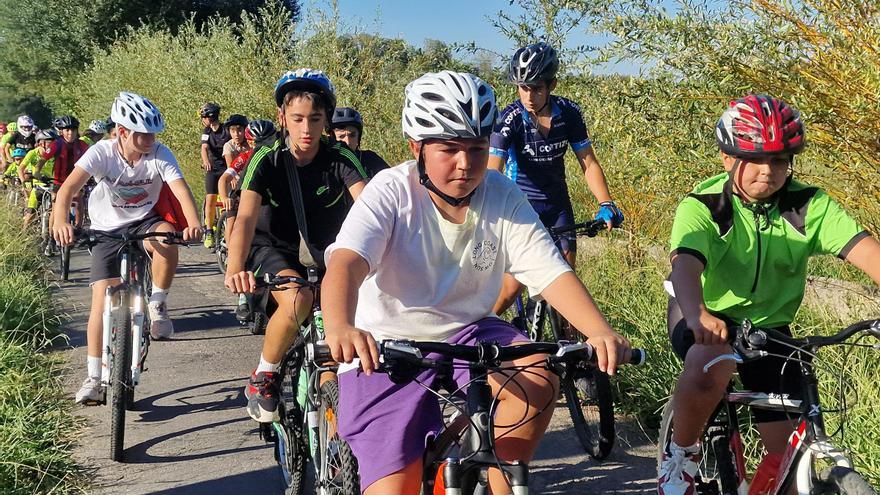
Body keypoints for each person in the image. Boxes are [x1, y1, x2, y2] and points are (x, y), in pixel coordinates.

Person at [322, 70, 632, 494]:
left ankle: (502, 477)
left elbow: (550, 270)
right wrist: (340, 327)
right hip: (387, 341)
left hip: (471, 329)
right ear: (417, 148)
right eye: (449, 149)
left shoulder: (501, 193)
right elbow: (346, 263)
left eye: (476, 148)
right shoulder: (390, 191)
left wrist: (598, 331)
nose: (466, 164)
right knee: (397, 489)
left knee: (538, 375)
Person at [657, 95, 880, 495]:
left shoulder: (807, 205)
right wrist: (698, 315)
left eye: (780, 160)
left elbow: (867, 252)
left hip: (771, 326)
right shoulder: (705, 206)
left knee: (788, 458)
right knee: (712, 363)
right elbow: (685, 266)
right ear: (727, 159)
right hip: (704, 311)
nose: (768, 171)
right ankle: (682, 455)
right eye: (754, 159)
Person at [224, 68, 368, 423]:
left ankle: (336, 453)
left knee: (336, 346)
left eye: (315, 119)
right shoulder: (266, 157)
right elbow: (244, 219)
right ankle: (265, 375)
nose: (306, 129)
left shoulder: (341, 158)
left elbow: (370, 210)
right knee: (298, 298)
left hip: (329, 256)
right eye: (297, 119)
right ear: (282, 117)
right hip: (273, 249)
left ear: (327, 121)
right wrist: (235, 267)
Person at [51, 92, 202, 404]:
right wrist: (59, 220)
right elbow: (68, 188)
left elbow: (180, 189)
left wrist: (194, 222)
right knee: (99, 301)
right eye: (142, 134)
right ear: (121, 132)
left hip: (146, 221)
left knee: (166, 235)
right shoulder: (102, 153)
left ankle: (157, 303)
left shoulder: (160, 154)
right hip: (106, 228)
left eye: (152, 133)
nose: (149, 139)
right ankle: (94, 377)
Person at [488, 42, 624, 317]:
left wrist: (606, 202)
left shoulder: (569, 114)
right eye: (523, 87)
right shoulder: (509, 119)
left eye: (536, 88)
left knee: (567, 286)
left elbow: (588, 162)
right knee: (512, 287)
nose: (529, 96)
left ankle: (570, 347)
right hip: (521, 209)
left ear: (552, 85)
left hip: (558, 206)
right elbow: (493, 171)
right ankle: (480, 329)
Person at [43, 115, 89, 228]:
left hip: (76, 181)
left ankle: (79, 228)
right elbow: (42, 160)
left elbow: (91, 161)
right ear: (61, 131)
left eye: (73, 130)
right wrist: (38, 172)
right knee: (56, 208)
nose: (70, 133)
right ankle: (50, 237)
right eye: (67, 130)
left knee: (78, 200)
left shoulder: (82, 145)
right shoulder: (56, 144)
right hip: (58, 181)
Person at [200, 102, 230, 249]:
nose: (202, 120)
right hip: (213, 168)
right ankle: (209, 230)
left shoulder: (226, 130)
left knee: (230, 199)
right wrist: (206, 162)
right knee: (210, 198)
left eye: (203, 117)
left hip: (227, 167)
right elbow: (204, 148)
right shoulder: (207, 131)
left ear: (210, 117)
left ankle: (228, 225)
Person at [330, 107, 390, 178]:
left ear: (359, 136)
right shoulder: (325, 165)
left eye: (352, 135)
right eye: (341, 136)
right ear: (331, 137)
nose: (348, 141)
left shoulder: (371, 160)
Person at [20, 130, 57, 228]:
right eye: (49, 141)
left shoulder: (56, 154)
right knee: (30, 213)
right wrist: (24, 182)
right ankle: (24, 234)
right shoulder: (33, 153)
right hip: (38, 185)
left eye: (53, 141)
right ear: (41, 142)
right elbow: (21, 168)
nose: (51, 143)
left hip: (53, 184)